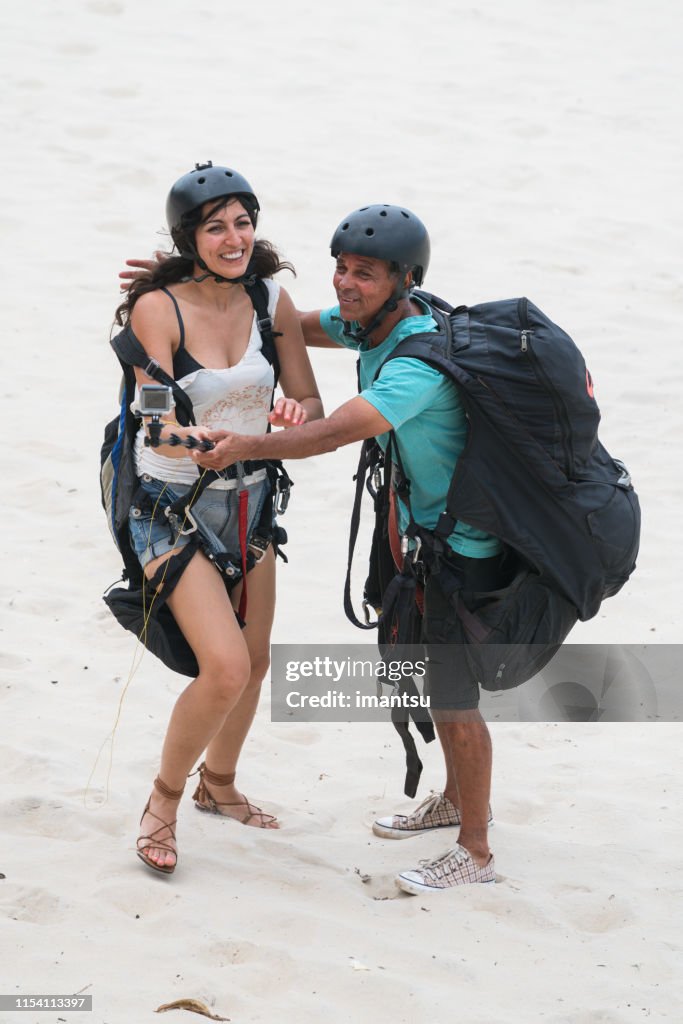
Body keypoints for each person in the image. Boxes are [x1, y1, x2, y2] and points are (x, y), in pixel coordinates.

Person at [185, 204, 507, 894]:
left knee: (452, 694)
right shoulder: (370, 323)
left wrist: (247, 446)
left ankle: (474, 851)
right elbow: (280, 326)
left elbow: (332, 433)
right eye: (339, 267)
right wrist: (187, 288)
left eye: (363, 272)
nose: (343, 283)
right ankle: (454, 799)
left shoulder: (416, 364)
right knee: (427, 674)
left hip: (465, 545)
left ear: (405, 278)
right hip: (424, 536)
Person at [113, 162, 323, 875]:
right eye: (215, 226)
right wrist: (193, 442)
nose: (234, 238)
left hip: (252, 500)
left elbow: (311, 409)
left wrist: (290, 416)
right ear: (188, 236)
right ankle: (162, 803)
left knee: (258, 661)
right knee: (226, 667)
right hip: (170, 508)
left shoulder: (271, 301)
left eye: (243, 222)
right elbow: (152, 422)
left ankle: (220, 786)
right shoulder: (158, 310)